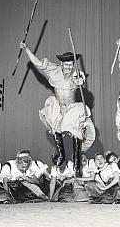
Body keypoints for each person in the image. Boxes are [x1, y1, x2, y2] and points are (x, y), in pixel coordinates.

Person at [20, 42, 96, 176]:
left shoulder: (76, 72)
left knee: (76, 132)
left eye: (71, 64)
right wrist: (26, 49)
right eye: (66, 65)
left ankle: (77, 162)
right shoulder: (53, 70)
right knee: (56, 126)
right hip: (59, 107)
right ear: (61, 64)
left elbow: (80, 79)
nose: (68, 67)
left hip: (72, 108)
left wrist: (79, 81)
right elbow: (37, 63)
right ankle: (62, 155)